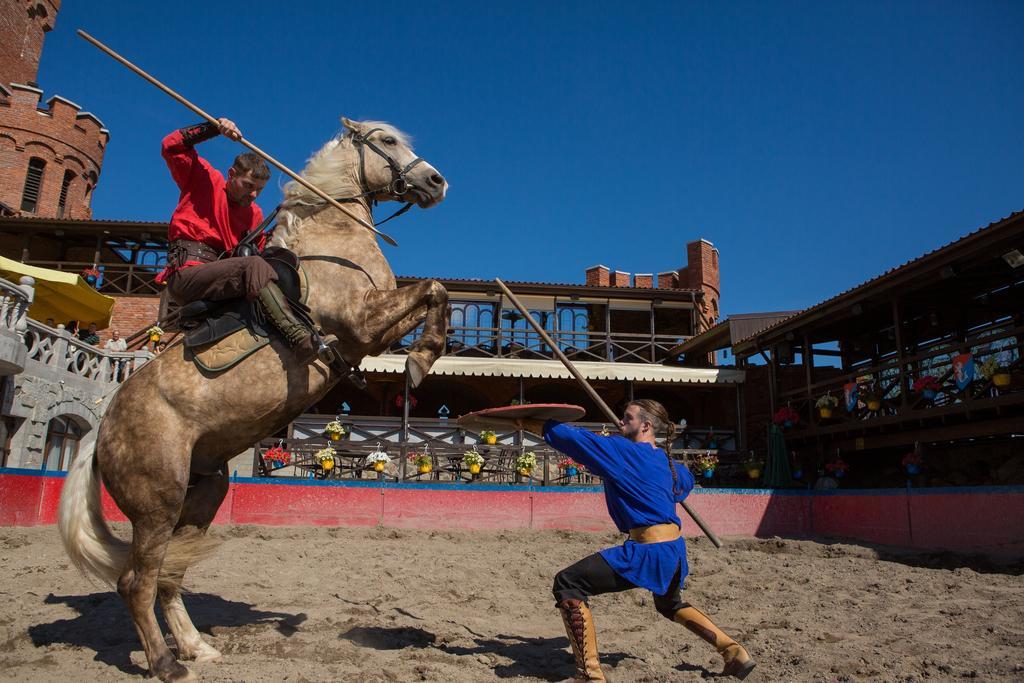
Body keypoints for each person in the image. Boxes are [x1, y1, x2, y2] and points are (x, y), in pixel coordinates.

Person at [512, 400, 755, 681]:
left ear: (646, 425)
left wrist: (528, 423)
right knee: (669, 604)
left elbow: (575, 440)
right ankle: (734, 651)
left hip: (647, 552)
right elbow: (682, 486)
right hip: (674, 551)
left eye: (627, 418)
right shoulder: (672, 466)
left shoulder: (624, 452)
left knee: (569, 582)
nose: (621, 422)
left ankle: (589, 675)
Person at [156, 118, 327, 358]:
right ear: (231, 174)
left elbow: (261, 254)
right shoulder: (203, 179)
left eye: (259, 189)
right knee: (254, 266)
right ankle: (297, 337)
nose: (254, 194)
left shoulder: (255, 214)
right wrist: (214, 127)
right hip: (186, 274)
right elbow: (171, 145)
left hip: (223, 278)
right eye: (248, 185)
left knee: (270, 269)